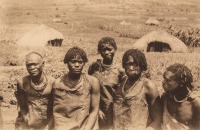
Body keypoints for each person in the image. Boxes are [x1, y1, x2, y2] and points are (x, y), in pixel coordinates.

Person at [52, 47, 100, 130]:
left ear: (84, 63)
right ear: (67, 62)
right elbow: (58, 112)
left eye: (80, 62)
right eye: (73, 62)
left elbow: (94, 110)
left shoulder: (92, 82)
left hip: (86, 125)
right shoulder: (58, 83)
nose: (77, 65)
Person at [113, 49, 162, 130]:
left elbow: (157, 120)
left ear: (142, 65)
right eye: (128, 64)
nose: (131, 68)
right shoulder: (122, 81)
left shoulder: (148, 86)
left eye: (135, 64)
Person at [88, 37, 125, 129]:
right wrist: (97, 110)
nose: (107, 52)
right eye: (103, 50)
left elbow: (124, 93)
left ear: (115, 49)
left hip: (113, 109)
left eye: (110, 49)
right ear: (99, 51)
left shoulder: (120, 70)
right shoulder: (94, 66)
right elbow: (89, 88)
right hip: (96, 107)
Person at [15, 52, 54, 130]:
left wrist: (49, 126)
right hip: (27, 123)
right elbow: (22, 107)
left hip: (47, 124)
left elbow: (55, 109)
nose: (32, 67)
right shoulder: (22, 83)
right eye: (28, 65)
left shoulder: (52, 83)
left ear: (43, 64)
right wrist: (27, 123)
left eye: (35, 64)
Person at [161, 63, 200, 130]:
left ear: (181, 83)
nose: (163, 82)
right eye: (164, 79)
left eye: (168, 80)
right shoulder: (165, 98)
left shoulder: (195, 104)